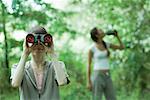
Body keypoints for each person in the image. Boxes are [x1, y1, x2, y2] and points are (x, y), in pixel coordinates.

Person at [10, 26, 60, 100]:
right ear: (27, 42)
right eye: (34, 41)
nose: (38, 44)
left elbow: (62, 82)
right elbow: (15, 84)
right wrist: (25, 53)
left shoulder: (56, 66)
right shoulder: (18, 67)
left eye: (42, 41)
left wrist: (52, 52)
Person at [87, 27, 124, 100]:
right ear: (97, 35)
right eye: (100, 30)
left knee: (112, 98)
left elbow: (121, 47)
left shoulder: (106, 44)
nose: (103, 31)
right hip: (97, 76)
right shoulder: (92, 48)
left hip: (107, 75)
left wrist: (117, 36)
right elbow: (88, 65)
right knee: (97, 98)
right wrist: (89, 81)